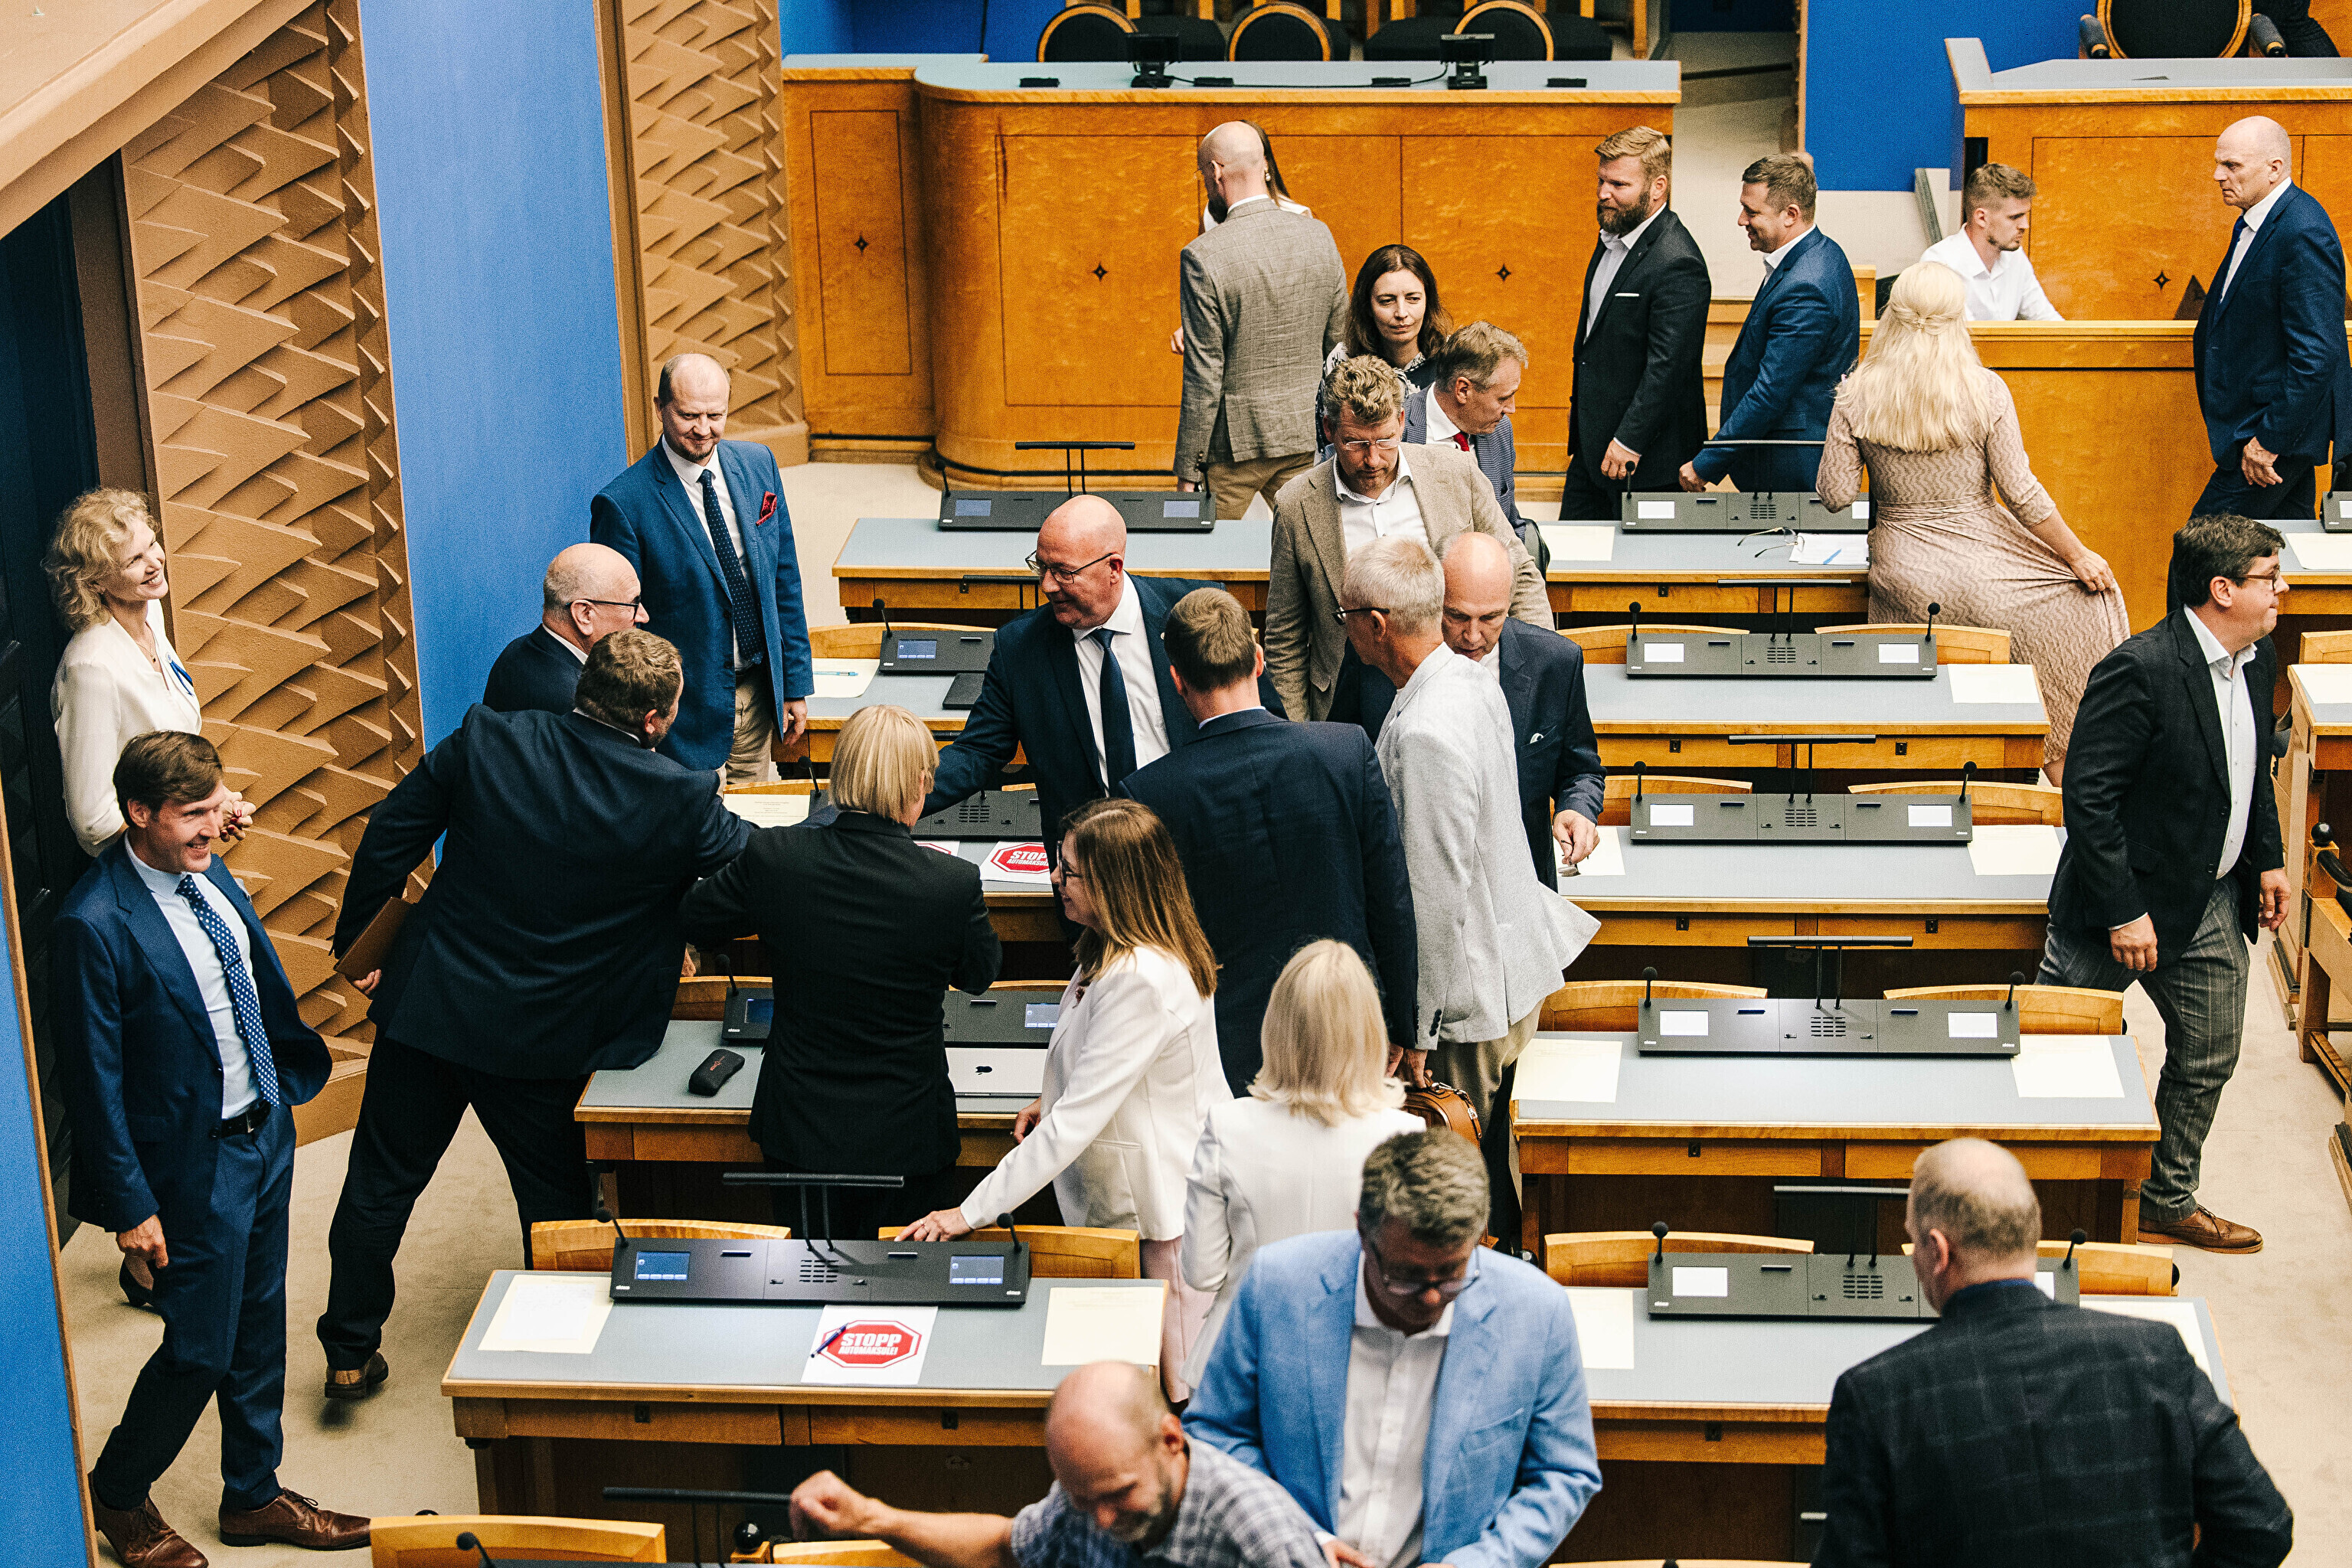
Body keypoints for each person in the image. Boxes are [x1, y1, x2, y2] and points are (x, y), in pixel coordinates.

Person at [316, 630, 750, 1395]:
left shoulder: (488, 738)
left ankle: (348, 1348)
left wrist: (361, 943)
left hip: (434, 1006)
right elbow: (753, 867)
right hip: (550, 1036)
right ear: (655, 718)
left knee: (380, 1182)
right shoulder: (680, 795)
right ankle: (553, 1361)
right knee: (554, 1205)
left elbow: (389, 833)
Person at [57, 732, 367, 1566]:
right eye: (191, 813)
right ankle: (118, 1491)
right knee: (200, 1347)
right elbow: (93, 1081)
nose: (210, 825)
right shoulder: (93, 923)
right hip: (192, 1166)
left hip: (264, 1131)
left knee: (261, 1325)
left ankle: (253, 1493)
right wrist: (130, 1207)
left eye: (214, 807)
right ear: (138, 813)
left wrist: (279, 1104)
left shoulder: (206, 871)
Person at [1813, 1138, 2293, 1566]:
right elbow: (2262, 1526)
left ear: (1938, 1251)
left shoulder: (1876, 1396)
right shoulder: (2156, 1355)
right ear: (2031, 1232)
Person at [900, 798, 1228, 1396]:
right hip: (1128, 1203)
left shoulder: (1141, 979)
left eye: (1070, 870)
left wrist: (967, 1213)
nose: (1055, 878)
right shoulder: (1110, 949)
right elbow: (1093, 1060)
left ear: (1115, 886)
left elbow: (1073, 1124)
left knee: (1179, 1389)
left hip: (1159, 1216)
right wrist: (1049, 1094)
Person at [2037, 515, 2289, 1255]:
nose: (2282, 590)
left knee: (2209, 1051)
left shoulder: (2258, 658)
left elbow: (2250, 776)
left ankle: (2166, 1197)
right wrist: (2123, 911)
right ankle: (2030, 1204)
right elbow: (2088, 798)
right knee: (2056, 1048)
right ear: (2223, 590)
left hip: (2209, 896)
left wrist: (2268, 859)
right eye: (2270, 577)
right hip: (2117, 905)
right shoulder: (2140, 668)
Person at [1187, 1130, 1602, 1568]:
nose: (1431, 1298)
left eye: (1452, 1274)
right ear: (1362, 1233)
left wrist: (1480, 1563)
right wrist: (1295, 1539)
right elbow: (1216, 1433)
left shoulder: (1537, 1312)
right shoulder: (1276, 1284)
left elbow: (1562, 1473)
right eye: (1406, 1276)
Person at [1339, 539, 1595, 1240]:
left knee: (1449, 1186)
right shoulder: (1470, 681)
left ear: (1377, 624)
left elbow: (1435, 891)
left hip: (1464, 999)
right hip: (1507, 964)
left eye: (1346, 616)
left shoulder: (1426, 729)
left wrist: (1415, 1030)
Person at [678, 704, 999, 1237]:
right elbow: (978, 975)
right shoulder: (952, 883)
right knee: (903, 1278)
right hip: (909, 1133)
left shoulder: (776, 856)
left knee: (805, 1275)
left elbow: (697, 917)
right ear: (920, 785)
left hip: (799, 1129)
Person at [1815, 261, 2125, 782]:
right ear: (1957, 319)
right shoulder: (1986, 390)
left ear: (1892, 316)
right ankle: (2061, 774)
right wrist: (2078, 556)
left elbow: (1835, 495)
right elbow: (2021, 493)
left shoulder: (1855, 393)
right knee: (2091, 604)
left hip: (1904, 567)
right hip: (1986, 557)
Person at [1119, 588, 1417, 1093]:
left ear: (1177, 679)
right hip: (1349, 1019)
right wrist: (1401, 1024)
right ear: (1258, 660)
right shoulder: (1346, 752)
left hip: (1227, 1043)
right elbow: (1392, 902)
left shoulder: (1150, 793)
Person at [926, 495, 1282, 863]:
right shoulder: (1020, 648)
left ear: (1114, 567)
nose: (1047, 585)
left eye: (1063, 572)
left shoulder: (1194, 614)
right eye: (1041, 567)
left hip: (1201, 848)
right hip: (1093, 865)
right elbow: (977, 752)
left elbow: (1263, 723)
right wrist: (896, 796)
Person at [787, 1361, 1330, 1568]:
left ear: (1170, 1440)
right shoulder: (1092, 1490)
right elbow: (1008, 1548)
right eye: (1081, 1500)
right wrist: (872, 1518)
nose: (1102, 1520)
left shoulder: (1263, 1539)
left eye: (1119, 1494)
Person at [1178, 941, 1426, 1388]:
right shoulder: (1405, 1136)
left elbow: (1202, 1273)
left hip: (1242, 1358)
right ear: (1370, 1031)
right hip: (1356, 1364)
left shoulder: (1227, 1125)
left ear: (1278, 1026)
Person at [1266, 356, 1550, 723]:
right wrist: (1297, 736)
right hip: (1347, 707)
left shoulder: (1457, 473)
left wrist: (1539, 680)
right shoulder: (1296, 504)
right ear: (1329, 429)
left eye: (1385, 440)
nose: (1372, 460)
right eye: (1355, 443)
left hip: (1454, 688)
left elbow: (1520, 574)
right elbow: (1285, 638)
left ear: (1402, 421)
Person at [1329, 531, 1607, 888]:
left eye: (1490, 618)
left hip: (1517, 884)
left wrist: (1577, 809)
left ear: (1510, 603)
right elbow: (1344, 762)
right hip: (1407, 880)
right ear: (1434, 599)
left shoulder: (1555, 662)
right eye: (1457, 616)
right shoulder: (1375, 655)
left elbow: (1581, 769)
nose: (1473, 636)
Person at [590, 351, 812, 779]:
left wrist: (795, 684)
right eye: (689, 415)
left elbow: (783, 578)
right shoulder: (623, 504)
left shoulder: (760, 465)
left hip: (758, 699)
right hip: (682, 721)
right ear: (660, 408)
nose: (704, 429)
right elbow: (620, 632)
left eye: (716, 415)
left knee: (751, 819)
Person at [46, 488, 251, 859]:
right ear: (95, 582)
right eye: (134, 560)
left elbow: (172, 747)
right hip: (140, 868)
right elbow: (94, 821)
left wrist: (216, 804)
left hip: (177, 851)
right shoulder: (90, 670)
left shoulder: (150, 612)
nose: (154, 563)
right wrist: (199, 821)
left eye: (152, 544)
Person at [1175, 122, 1348, 521]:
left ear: (1216, 172)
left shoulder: (1202, 255)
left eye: (1204, 175)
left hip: (1233, 447)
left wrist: (1188, 469)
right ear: (1265, 165)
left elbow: (1204, 375)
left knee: (1207, 553)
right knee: (1315, 548)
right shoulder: (1319, 235)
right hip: (1307, 433)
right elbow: (1338, 346)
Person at [2190, 115, 2347, 522]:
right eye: (2218, 163)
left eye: (2232, 165)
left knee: (2202, 546)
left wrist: (2268, 441)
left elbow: (2317, 354)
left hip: (2269, 436)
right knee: (2282, 546)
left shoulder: (2302, 231)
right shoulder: (2256, 222)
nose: (2218, 175)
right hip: (2268, 432)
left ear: (2274, 169)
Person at [1682, 154, 1860, 495]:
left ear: (1790, 215)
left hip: (1789, 466)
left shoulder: (1807, 285)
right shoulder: (1820, 254)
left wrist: (1707, 463)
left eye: (1751, 212)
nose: (1741, 220)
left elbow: (1770, 391)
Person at [1563, 126, 1711, 521]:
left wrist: (1629, 440)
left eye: (1619, 184)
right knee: (1566, 553)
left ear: (1658, 187)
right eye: (1601, 181)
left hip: (1645, 460)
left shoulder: (1678, 261)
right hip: (1592, 449)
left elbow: (1668, 367)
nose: (1603, 193)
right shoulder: (1613, 235)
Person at [1402, 321, 1536, 556]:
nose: (1511, 409)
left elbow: (1511, 524)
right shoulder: (1399, 431)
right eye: (1503, 398)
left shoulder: (1499, 430)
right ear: (1463, 390)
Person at [482, 542, 648, 714]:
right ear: (584, 614)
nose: (643, 616)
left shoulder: (517, 650)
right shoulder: (584, 706)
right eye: (633, 605)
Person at [1919, 162, 2063, 323]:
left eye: (2025, 215)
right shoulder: (1940, 264)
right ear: (1982, 218)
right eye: (2015, 217)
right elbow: (1962, 336)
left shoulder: (2015, 257)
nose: (2025, 225)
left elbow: (2048, 321)